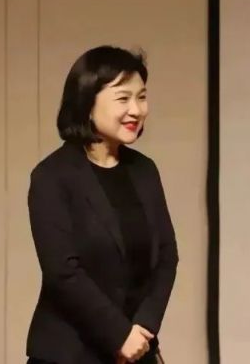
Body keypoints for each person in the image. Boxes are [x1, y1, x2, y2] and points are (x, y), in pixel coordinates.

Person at [26, 45, 178, 364]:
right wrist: (118, 335)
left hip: (137, 350)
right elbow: (62, 273)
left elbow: (166, 255)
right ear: (87, 102)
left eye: (142, 97)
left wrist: (144, 327)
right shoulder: (52, 176)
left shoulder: (144, 170)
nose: (136, 109)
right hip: (70, 354)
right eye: (123, 98)